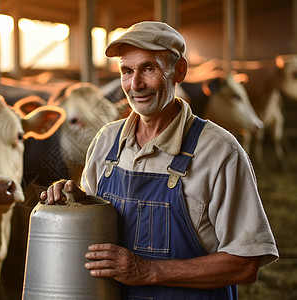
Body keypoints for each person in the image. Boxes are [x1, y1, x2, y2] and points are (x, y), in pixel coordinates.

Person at [40, 21, 279, 300]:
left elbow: (245, 264)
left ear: (180, 71)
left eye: (149, 68)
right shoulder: (106, 141)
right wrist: (73, 201)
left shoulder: (220, 152)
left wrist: (148, 271)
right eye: (126, 72)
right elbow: (93, 230)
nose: (136, 85)